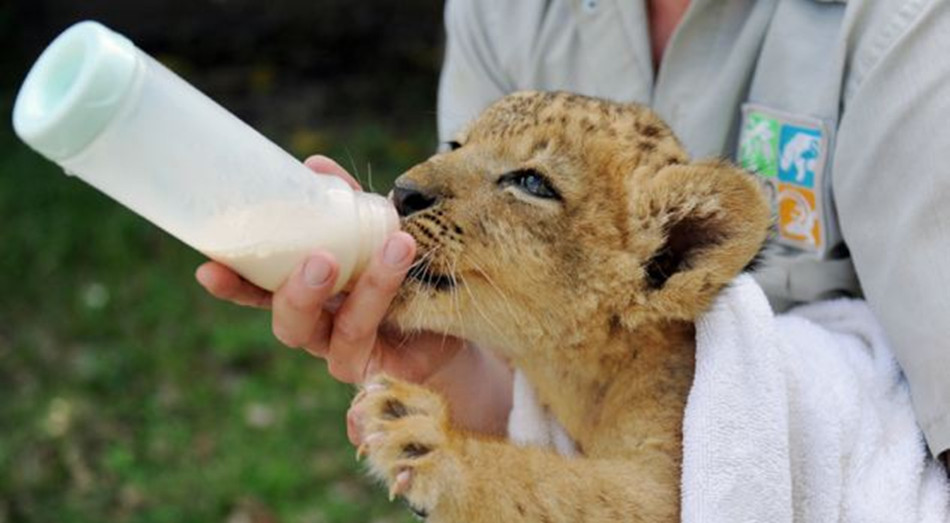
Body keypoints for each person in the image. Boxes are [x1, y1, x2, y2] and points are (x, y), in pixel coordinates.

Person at [197, 0, 950, 464]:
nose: (413, 183)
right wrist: (444, 361)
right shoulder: (503, 11)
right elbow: (508, 372)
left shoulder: (905, 23)